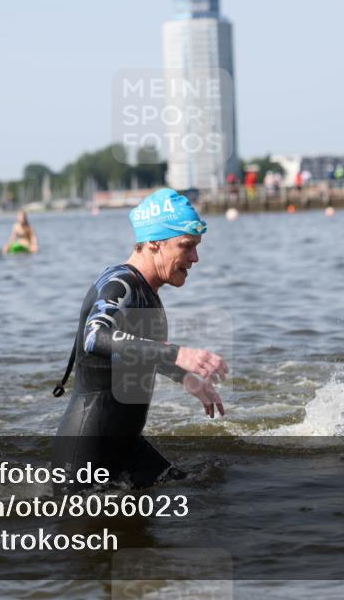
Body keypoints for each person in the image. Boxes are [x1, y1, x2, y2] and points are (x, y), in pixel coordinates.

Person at [52, 189, 228, 489]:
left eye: (197, 247)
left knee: (205, 489)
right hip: (86, 454)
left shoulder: (146, 290)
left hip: (126, 445)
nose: (195, 258)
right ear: (153, 243)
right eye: (186, 246)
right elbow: (95, 337)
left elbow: (132, 352)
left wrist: (184, 377)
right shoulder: (120, 284)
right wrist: (175, 354)